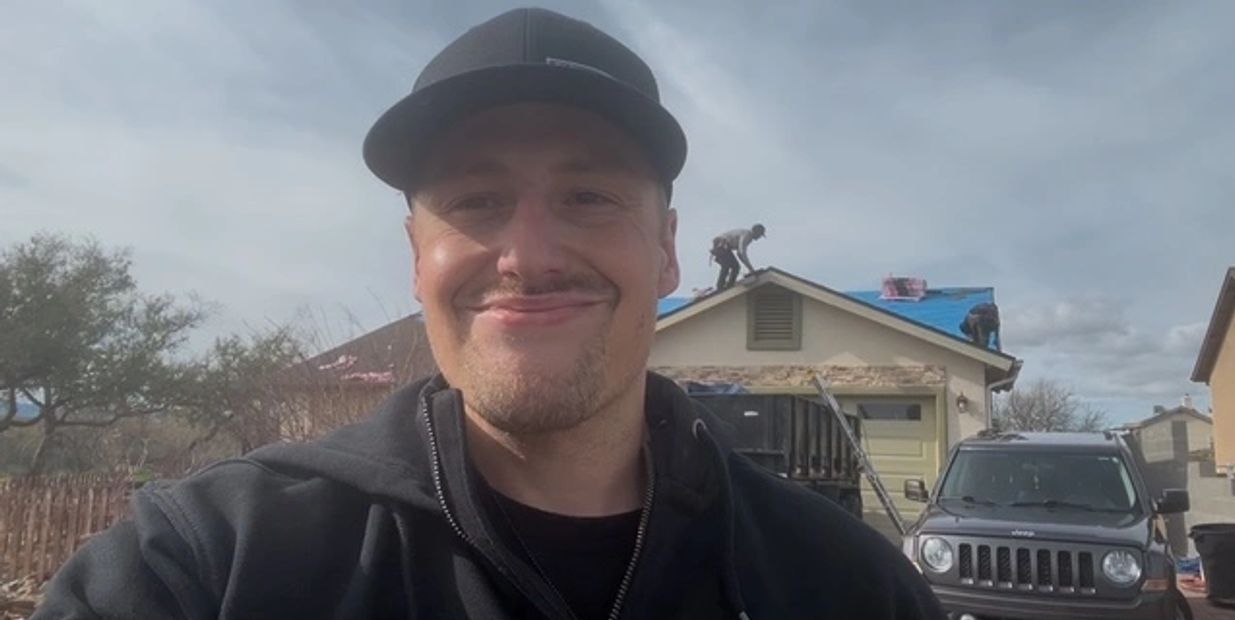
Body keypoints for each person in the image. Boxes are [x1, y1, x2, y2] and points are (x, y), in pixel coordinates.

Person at [35, 8, 942, 620]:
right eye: (475, 201)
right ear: (414, 255)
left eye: (588, 195)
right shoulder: (210, 567)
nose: (529, 255)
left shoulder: (843, 585)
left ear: (668, 247)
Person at [710, 224, 765, 291]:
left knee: (733, 266)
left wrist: (751, 270)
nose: (759, 237)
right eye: (760, 235)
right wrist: (751, 270)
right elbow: (742, 252)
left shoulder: (747, 235)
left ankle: (727, 285)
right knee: (729, 266)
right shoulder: (747, 235)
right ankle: (721, 286)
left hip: (722, 245)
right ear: (757, 232)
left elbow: (740, 254)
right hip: (721, 244)